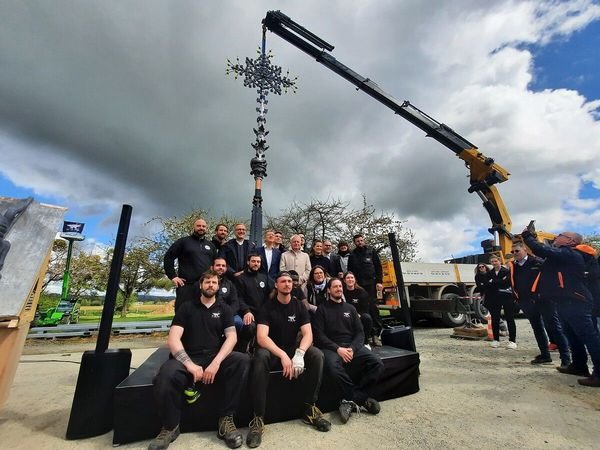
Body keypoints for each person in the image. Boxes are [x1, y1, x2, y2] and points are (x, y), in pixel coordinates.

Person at [150, 271, 249, 450]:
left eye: (214, 282)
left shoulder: (224, 309)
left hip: (213, 356)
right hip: (188, 358)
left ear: (218, 286)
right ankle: (170, 427)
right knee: (165, 375)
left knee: (241, 360)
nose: (211, 285)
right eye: (207, 282)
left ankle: (226, 420)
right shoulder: (187, 308)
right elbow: (173, 339)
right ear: (201, 285)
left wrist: (216, 363)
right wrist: (190, 365)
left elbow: (232, 338)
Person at [246, 272, 331, 448]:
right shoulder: (267, 307)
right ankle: (258, 418)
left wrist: (299, 354)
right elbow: (262, 338)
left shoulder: (299, 306)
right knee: (260, 357)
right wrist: (283, 356)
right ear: (276, 285)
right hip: (272, 350)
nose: (287, 284)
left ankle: (309, 408)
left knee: (316, 355)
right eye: (283, 281)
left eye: (290, 282)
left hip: (292, 348)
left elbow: (308, 334)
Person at [523, 229, 600, 387]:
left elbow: (542, 250)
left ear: (570, 241)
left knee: (589, 337)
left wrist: (527, 237)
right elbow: (544, 256)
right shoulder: (562, 255)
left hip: (576, 301)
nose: (557, 237)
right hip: (565, 301)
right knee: (573, 336)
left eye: (560, 236)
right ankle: (579, 366)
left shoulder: (569, 253)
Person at [313, 278, 384, 423]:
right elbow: (319, 335)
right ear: (329, 290)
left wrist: (351, 348)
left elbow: (360, 333)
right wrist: (338, 349)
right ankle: (362, 399)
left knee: (377, 363)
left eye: (340, 286)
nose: (339, 289)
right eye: (335, 287)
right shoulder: (322, 309)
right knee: (332, 368)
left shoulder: (350, 308)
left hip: (352, 346)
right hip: (332, 347)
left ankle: (352, 399)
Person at [508, 242, 570, 366]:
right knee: (537, 328)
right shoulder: (513, 266)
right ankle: (545, 355)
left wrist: (545, 294)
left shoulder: (537, 262)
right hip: (526, 302)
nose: (514, 254)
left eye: (517, 251)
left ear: (525, 250)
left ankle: (566, 359)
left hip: (544, 301)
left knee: (554, 328)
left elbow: (550, 279)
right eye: (513, 252)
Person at [164, 219, 217, 310]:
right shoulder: (183, 242)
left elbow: (215, 264)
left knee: (204, 313)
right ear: (194, 227)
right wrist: (172, 276)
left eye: (203, 226)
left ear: (206, 228)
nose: (201, 228)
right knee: (182, 313)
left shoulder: (211, 246)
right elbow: (168, 257)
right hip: (186, 285)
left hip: (205, 286)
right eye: (198, 226)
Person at [347, 234, 383, 335]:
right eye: (358, 241)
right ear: (354, 242)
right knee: (360, 309)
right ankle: (363, 333)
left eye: (361, 240)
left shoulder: (371, 251)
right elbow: (350, 271)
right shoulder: (352, 255)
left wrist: (379, 281)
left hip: (371, 284)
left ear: (364, 240)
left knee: (373, 308)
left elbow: (378, 267)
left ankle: (376, 333)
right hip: (358, 286)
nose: (360, 242)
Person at [235, 253, 270, 351]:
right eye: (253, 261)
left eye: (258, 262)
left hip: (262, 312)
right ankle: (242, 350)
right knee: (250, 326)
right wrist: (246, 311)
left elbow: (269, 295)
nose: (256, 264)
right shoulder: (240, 278)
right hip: (247, 312)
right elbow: (239, 298)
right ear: (248, 262)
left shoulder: (264, 278)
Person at [484, 255, 517, 349]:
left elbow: (506, 282)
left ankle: (512, 340)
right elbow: (487, 284)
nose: (494, 263)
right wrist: (498, 281)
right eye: (492, 262)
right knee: (495, 319)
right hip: (494, 298)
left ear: (499, 261)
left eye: (496, 261)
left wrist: (493, 281)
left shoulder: (506, 271)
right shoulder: (489, 273)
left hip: (507, 297)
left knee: (510, 318)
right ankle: (496, 340)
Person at [343, 272, 373, 347]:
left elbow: (365, 308)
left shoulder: (361, 292)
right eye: (348, 278)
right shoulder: (342, 292)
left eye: (352, 278)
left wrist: (358, 314)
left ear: (355, 280)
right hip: (344, 315)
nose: (350, 279)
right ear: (344, 280)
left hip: (359, 315)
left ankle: (365, 342)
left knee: (367, 318)